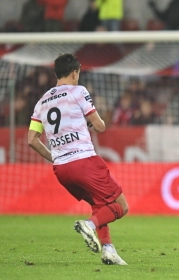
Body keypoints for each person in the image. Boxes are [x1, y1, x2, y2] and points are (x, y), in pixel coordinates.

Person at [27, 53, 129, 265]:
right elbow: (100, 126)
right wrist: (91, 121)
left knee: (98, 204)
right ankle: (90, 225)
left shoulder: (41, 102)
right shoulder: (78, 91)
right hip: (84, 161)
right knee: (121, 206)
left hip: (62, 170)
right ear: (75, 73)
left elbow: (32, 140)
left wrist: (54, 157)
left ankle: (108, 249)